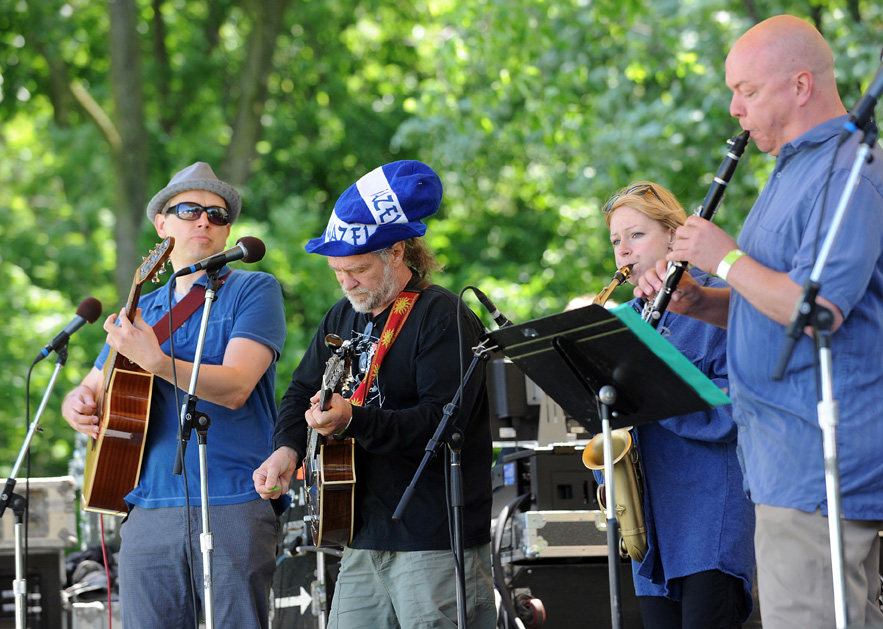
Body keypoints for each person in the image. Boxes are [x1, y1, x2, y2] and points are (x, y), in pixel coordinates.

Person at [634, 15, 883, 629]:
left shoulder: (850, 171)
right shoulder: (792, 169)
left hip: (817, 456)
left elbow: (816, 308)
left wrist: (724, 256)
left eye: (746, 90)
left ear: (800, 86)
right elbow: (770, 300)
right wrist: (702, 300)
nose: (733, 108)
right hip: (778, 455)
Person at [253, 160, 495, 628]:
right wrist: (285, 450)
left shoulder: (442, 315)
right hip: (361, 532)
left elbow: (441, 423)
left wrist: (352, 421)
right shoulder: (342, 317)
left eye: (358, 269)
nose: (346, 283)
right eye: (337, 271)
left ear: (397, 251)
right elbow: (300, 390)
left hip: (432, 534)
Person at [61, 162, 287, 629]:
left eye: (218, 214)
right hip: (147, 503)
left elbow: (237, 386)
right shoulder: (140, 309)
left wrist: (159, 363)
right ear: (162, 226)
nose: (204, 219)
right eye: (188, 210)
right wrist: (77, 405)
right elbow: (92, 387)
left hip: (233, 496)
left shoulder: (254, 289)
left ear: (228, 233)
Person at [593, 181, 755, 628]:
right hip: (653, 528)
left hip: (709, 515)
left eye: (636, 235)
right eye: (614, 240)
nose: (622, 250)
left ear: (673, 235)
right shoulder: (627, 318)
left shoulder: (716, 302)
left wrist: (652, 395)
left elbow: (735, 413)